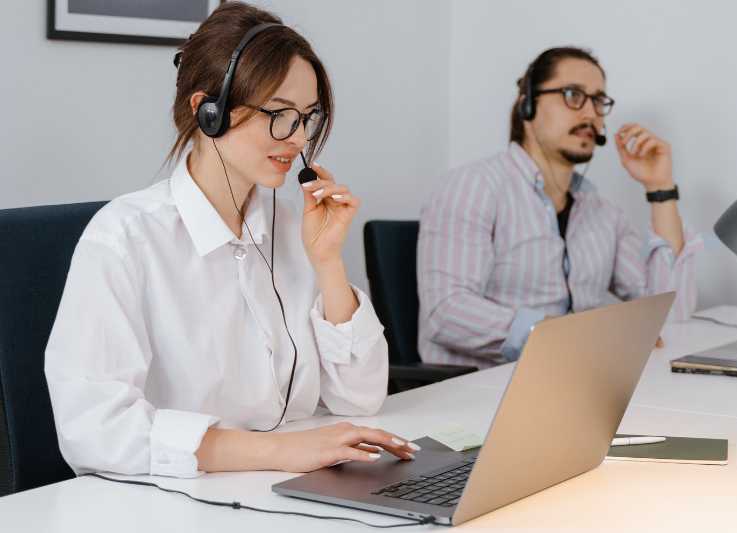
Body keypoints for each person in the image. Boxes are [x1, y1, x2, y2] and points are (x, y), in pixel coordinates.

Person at [45, 2, 418, 478]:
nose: (298, 139)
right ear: (208, 113)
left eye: (307, 117)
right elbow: (94, 429)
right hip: (172, 498)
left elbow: (360, 398)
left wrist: (328, 264)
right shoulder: (124, 238)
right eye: (279, 114)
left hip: (287, 487)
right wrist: (280, 452)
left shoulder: (295, 228)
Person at [417, 46, 703, 369]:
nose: (590, 114)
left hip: (575, 378)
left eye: (598, 100)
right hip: (484, 386)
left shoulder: (603, 213)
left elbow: (670, 315)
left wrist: (659, 187)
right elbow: (446, 313)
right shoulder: (473, 187)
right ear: (527, 104)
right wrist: (568, 337)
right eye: (573, 95)